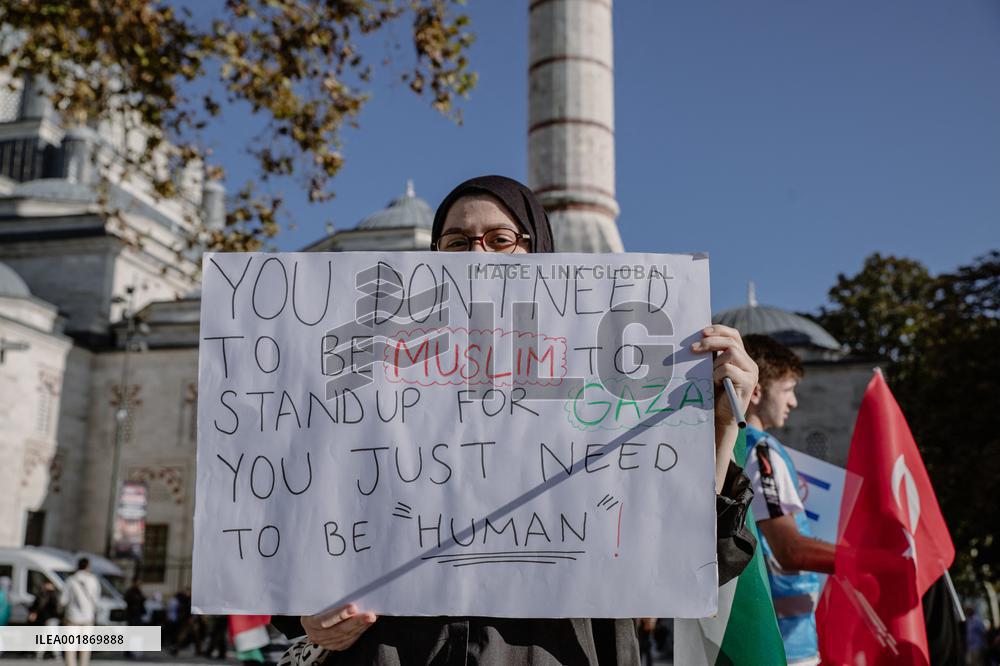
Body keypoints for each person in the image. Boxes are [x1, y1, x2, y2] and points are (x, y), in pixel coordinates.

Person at [273, 175, 760, 665]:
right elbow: (305, 526)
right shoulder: (366, 384)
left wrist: (719, 424)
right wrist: (309, 617)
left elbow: (687, 556)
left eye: (500, 240)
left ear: (538, 251)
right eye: (457, 242)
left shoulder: (604, 379)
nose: (477, 256)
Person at [741, 334, 835, 666]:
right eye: (787, 389)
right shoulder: (760, 449)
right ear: (756, 391)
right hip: (784, 643)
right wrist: (867, 561)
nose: (793, 402)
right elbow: (789, 550)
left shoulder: (737, 446)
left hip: (770, 637)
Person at [61, 558, 101, 666]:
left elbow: (63, 600)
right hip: (88, 618)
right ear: (88, 566)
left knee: (70, 647)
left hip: (73, 618)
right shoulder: (93, 580)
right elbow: (97, 600)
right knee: (85, 646)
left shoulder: (71, 580)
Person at [29, 578, 64, 660]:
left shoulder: (49, 595)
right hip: (51, 618)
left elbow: (44, 606)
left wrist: (35, 612)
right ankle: (44, 653)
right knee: (49, 636)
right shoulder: (53, 594)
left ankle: (43, 653)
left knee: (50, 636)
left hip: (50, 618)